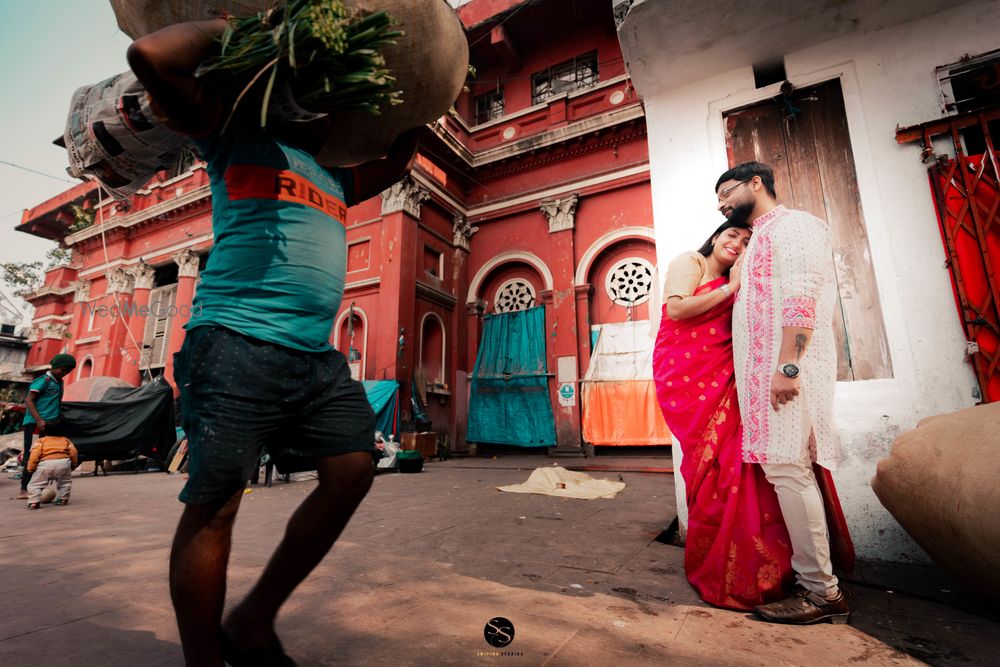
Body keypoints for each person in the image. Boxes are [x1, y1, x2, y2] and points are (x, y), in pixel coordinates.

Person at [128, 18, 419, 665]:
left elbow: (400, 154)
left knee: (352, 469)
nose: (327, 110)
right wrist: (248, 27)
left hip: (314, 361)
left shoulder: (339, 178)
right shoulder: (234, 135)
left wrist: (424, 73)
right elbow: (151, 56)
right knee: (216, 505)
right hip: (233, 344)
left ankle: (254, 618)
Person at [717, 161, 852, 624]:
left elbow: (802, 296)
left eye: (726, 193)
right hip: (764, 378)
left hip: (784, 375)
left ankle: (822, 593)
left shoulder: (795, 226)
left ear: (756, 183)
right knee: (785, 471)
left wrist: (788, 367)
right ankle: (818, 585)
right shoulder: (759, 240)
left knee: (790, 473)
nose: (721, 205)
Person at [653, 219, 799, 610]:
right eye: (732, 234)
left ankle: (749, 564)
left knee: (734, 466)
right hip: (685, 377)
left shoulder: (739, 284)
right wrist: (732, 288)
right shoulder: (691, 262)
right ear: (716, 236)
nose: (737, 243)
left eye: (746, 241)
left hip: (724, 379)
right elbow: (678, 309)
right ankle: (716, 562)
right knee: (709, 465)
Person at [17, 354, 76, 500]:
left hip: (51, 425)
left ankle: (38, 487)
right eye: (62, 370)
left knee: (47, 455)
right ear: (54, 366)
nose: (64, 373)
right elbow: (29, 401)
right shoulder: (44, 381)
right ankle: (24, 488)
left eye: (67, 371)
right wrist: (39, 420)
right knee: (32, 455)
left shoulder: (59, 382)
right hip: (35, 424)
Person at [25, 428, 78, 510]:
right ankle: (63, 499)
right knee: (65, 482)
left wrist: (30, 468)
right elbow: (74, 452)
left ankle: (34, 502)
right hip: (63, 463)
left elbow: (34, 454)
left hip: (46, 464)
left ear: (44, 431)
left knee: (34, 484)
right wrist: (73, 465)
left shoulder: (41, 441)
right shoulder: (66, 440)